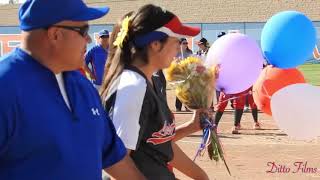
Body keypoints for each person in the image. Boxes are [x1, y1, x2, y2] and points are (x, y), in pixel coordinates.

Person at [0, 0, 144, 179]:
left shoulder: (82, 85)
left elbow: (114, 157)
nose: (89, 39)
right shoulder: (6, 87)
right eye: (83, 31)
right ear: (55, 34)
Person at [101, 4, 209, 179]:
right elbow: (117, 162)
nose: (178, 48)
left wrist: (192, 127)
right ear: (156, 44)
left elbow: (157, 144)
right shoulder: (132, 86)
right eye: (176, 41)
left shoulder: (150, 80)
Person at [175, 38, 192, 112]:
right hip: (179, 74)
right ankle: (178, 107)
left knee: (187, 91)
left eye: (186, 43)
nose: (185, 45)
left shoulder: (189, 52)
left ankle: (187, 106)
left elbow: (192, 61)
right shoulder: (176, 52)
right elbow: (174, 62)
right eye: (184, 43)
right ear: (180, 44)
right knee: (179, 91)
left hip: (188, 73)